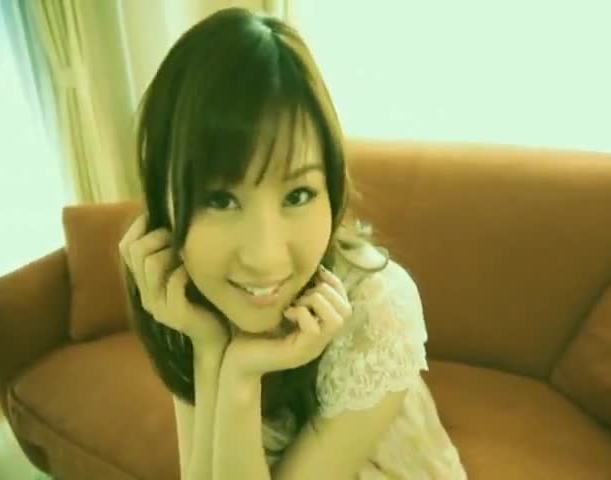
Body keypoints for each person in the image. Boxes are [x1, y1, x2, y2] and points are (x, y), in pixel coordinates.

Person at [117, 7, 467, 480]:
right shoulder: (185, 293)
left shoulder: (377, 307)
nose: (265, 258)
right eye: (220, 200)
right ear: (165, 205)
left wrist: (239, 376)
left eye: (298, 195)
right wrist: (215, 354)